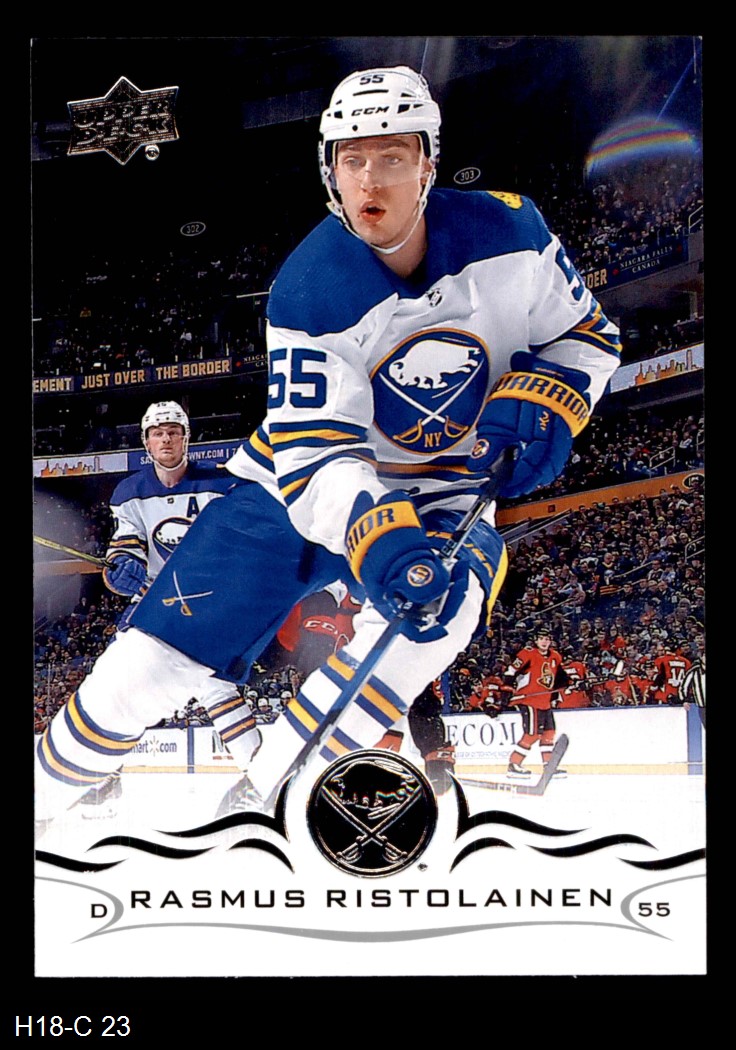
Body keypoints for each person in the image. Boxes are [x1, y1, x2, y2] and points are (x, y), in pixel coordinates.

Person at [35, 66, 620, 825]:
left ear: (429, 164)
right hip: (294, 488)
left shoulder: (515, 233)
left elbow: (586, 337)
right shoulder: (309, 290)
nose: (370, 179)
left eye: (392, 156)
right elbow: (321, 458)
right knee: (142, 673)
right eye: (353, 159)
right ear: (329, 171)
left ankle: (266, 796)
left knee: (437, 614)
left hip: (445, 491)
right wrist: (377, 530)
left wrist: (549, 399)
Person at [77, 402, 261, 817]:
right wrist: (123, 567)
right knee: (114, 682)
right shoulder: (129, 492)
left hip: (206, 600)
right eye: (158, 433)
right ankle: (106, 776)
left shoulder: (221, 483)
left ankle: (261, 776)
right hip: (154, 601)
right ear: (146, 442)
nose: (166, 439)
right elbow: (127, 542)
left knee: (215, 686)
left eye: (174, 431)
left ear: (186, 438)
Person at [504, 626, 569, 778]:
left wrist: (575, 683)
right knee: (532, 734)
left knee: (548, 733)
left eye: (547, 639)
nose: (544, 642)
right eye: (541, 639)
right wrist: (507, 690)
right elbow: (511, 671)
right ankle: (514, 764)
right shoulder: (528, 654)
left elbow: (560, 678)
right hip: (528, 700)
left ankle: (548, 766)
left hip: (544, 701)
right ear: (536, 641)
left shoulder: (555, 657)